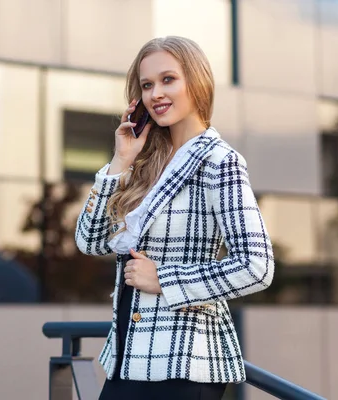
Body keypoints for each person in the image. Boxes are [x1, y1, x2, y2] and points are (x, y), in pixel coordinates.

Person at [75, 36, 274, 400]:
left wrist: (164, 279)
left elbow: (257, 266)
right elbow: (89, 241)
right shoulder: (145, 163)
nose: (156, 94)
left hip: (185, 363)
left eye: (168, 79)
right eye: (147, 85)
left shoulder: (219, 162)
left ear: (195, 82)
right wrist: (120, 161)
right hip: (127, 357)